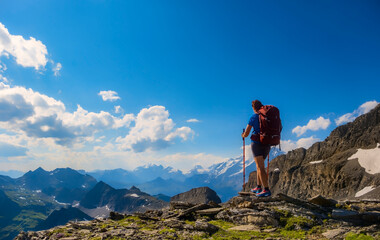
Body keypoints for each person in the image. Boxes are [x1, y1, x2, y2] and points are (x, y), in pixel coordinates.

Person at [241, 100, 271, 197]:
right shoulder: (268, 116)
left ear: (253, 107)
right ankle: (258, 186)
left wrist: (243, 135)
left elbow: (247, 133)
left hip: (257, 144)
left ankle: (266, 189)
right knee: (259, 165)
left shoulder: (254, 117)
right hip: (267, 144)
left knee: (260, 167)